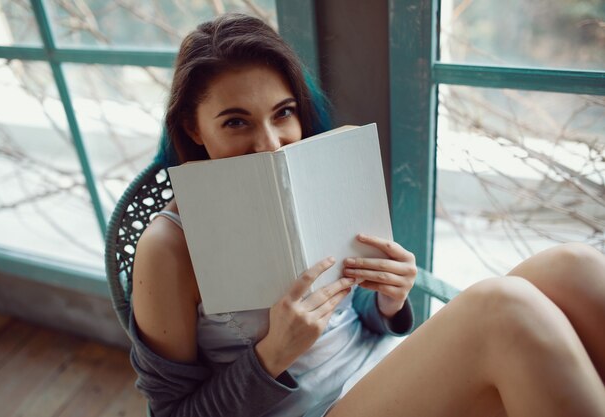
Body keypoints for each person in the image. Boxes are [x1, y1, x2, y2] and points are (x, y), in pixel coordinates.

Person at [129, 13, 605, 417]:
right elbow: (173, 413)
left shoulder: (314, 178)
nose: (270, 145)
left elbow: (350, 321)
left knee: (573, 266)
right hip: (315, 409)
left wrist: (388, 302)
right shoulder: (167, 248)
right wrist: (274, 353)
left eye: (283, 113)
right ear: (192, 127)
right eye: (236, 122)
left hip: (384, 371)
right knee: (505, 309)